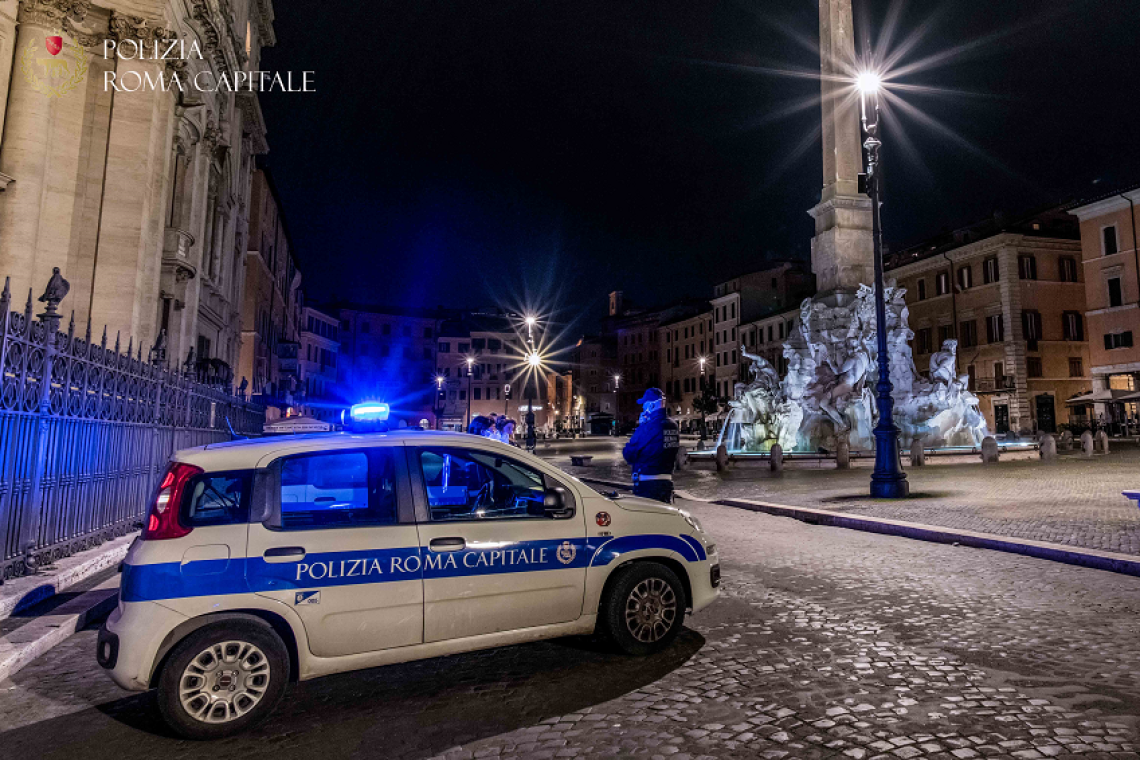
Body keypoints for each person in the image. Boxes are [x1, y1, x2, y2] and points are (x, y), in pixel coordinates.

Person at [623, 388, 680, 503]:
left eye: (645, 404)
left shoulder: (648, 427)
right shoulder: (673, 425)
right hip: (666, 485)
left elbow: (628, 453)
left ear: (652, 406)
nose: (643, 407)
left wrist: (641, 425)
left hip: (648, 487)